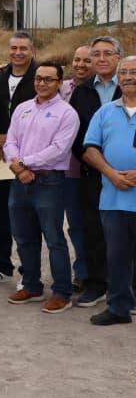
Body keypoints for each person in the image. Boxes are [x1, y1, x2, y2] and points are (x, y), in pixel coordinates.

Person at [3, 61, 80, 313]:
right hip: (20, 181)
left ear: (59, 83)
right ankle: (32, 285)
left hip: (49, 182)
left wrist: (25, 163)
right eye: (38, 78)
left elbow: (59, 149)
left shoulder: (67, 114)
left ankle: (62, 292)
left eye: (48, 79)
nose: (42, 83)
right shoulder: (23, 108)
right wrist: (18, 167)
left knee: (54, 238)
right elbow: (10, 140)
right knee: (24, 236)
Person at [80, 54, 136, 325]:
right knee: (117, 257)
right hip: (113, 199)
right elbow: (90, 149)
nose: (128, 77)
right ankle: (118, 308)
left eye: (134, 71)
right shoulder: (105, 112)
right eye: (124, 72)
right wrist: (111, 173)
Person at [69, 35, 122, 309]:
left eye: (107, 53)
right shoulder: (82, 91)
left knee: (126, 231)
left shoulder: (129, 86)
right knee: (93, 230)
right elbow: (76, 135)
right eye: (96, 54)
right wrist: (96, 163)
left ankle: (126, 287)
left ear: (118, 58)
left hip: (127, 177)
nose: (101, 59)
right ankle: (97, 284)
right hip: (91, 174)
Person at [0, 31, 37, 287]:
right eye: (14, 48)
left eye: (23, 48)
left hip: (28, 159)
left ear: (32, 51)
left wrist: (10, 139)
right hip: (0, 157)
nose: (18, 53)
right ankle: (1, 266)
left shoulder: (41, 77)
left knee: (27, 216)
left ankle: (29, 272)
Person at [60, 45, 93, 292]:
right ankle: (81, 271)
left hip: (84, 169)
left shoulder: (99, 92)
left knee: (86, 223)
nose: (80, 64)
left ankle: (88, 272)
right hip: (59, 170)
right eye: (77, 59)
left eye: (86, 60)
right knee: (74, 224)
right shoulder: (61, 87)